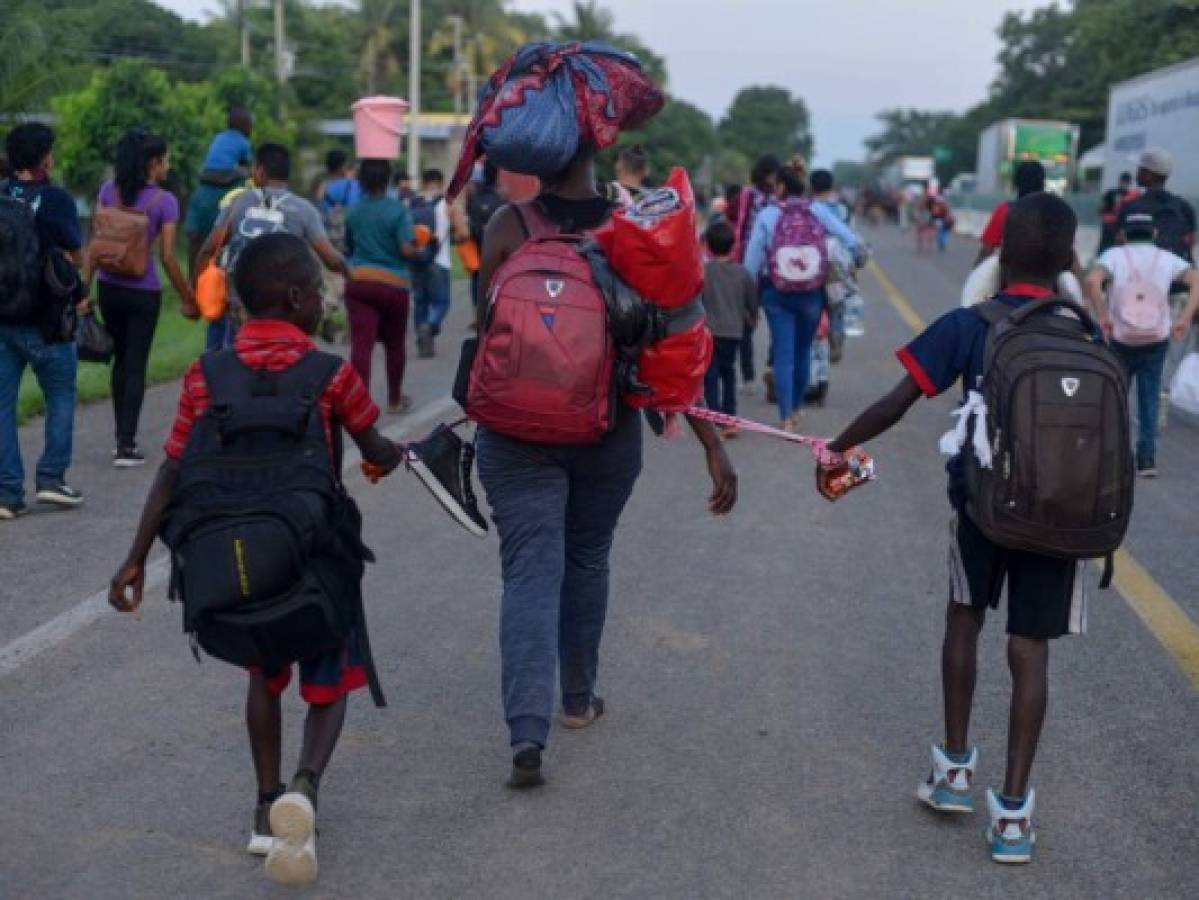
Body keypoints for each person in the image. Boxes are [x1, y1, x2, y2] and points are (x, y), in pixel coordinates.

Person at [108, 232, 404, 886]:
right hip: (314, 561)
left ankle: (266, 802)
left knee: (261, 677)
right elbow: (371, 441)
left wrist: (134, 559)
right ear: (297, 297)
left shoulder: (204, 376)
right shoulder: (330, 374)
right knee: (329, 681)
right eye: (317, 291)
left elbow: (173, 469)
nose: (323, 299)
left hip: (237, 564)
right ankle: (306, 786)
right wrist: (390, 457)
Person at [819, 193, 1091, 865]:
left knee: (963, 619)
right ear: (1064, 260)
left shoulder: (970, 324)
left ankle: (952, 776)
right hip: (1059, 517)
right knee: (1029, 651)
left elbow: (897, 399)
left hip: (983, 511)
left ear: (1000, 255)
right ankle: (1013, 819)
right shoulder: (1084, 334)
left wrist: (834, 447)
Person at [459, 140, 737, 788]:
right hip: (603, 430)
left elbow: (486, 327)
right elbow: (668, 349)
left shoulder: (507, 223)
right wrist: (711, 445)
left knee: (529, 570)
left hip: (512, 433)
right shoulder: (632, 229)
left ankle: (526, 731)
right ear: (595, 155)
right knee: (585, 558)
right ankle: (578, 699)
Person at [84, 130, 192, 467]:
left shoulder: (106, 191)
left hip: (109, 287)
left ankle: (121, 439)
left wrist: (84, 289)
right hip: (143, 293)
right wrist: (188, 296)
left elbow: (95, 246)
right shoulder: (165, 202)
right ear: (153, 163)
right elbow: (169, 258)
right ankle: (126, 445)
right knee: (136, 365)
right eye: (166, 159)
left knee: (119, 362)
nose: (168, 165)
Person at [0, 123, 85, 518]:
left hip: (3, 320)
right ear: (41, 160)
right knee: (60, 394)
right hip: (48, 320)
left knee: (2, 405)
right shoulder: (55, 200)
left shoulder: (0, 195)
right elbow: (73, 250)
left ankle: (7, 493)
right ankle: (51, 479)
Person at [194, 143, 348, 347]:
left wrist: (193, 294)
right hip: (284, 306)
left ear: (259, 171)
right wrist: (354, 273)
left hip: (242, 304)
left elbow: (208, 250)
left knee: (237, 359)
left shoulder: (238, 203)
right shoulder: (304, 210)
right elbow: (332, 260)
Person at [1084, 211, 1199, 476]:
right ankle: (1147, 459)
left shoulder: (1113, 255)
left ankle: (1110, 457)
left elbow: (1092, 281)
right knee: (1149, 399)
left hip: (1120, 339)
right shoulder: (1167, 258)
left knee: (1114, 397)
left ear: (1123, 234)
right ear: (1154, 234)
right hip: (1155, 339)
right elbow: (1196, 280)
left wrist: (1102, 316)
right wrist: (1184, 317)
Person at [743, 166, 826, 430]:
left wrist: (747, 293)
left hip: (776, 291)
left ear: (779, 187)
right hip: (812, 291)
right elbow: (847, 239)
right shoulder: (817, 211)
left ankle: (785, 416)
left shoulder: (768, 214)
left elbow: (751, 262)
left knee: (783, 353)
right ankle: (798, 407)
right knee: (804, 350)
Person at [344, 159, 421, 413]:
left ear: (361, 181)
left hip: (360, 281)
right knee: (395, 344)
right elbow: (406, 248)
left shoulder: (353, 210)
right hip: (393, 285)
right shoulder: (398, 210)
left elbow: (349, 248)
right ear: (388, 179)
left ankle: (359, 405)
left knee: (361, 345)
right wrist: (420, 245)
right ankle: (395, 400)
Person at [700, 220, 758, 433]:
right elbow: (752, 301)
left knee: (710, 375)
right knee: (729, 372)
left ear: (707, 246)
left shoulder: (702, 271)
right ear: (734, 246)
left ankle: (713, 416)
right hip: (733, 331)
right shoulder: (742, 273)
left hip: (708, 332)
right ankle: (730, 416)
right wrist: (752, 317)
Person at [184, 109, 253, 279]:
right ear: (244, 126)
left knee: (195, 238)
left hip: (207, 176)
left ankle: (192, 278)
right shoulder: (243, 142)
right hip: (226, 177)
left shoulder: (219, 137)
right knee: (248, 172)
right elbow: (247, 163)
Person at [732, 155, 780, 395]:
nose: (774, 178)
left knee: (776, 323)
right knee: (746, 322)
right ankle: (748, 372)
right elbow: (740, 226)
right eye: (772, 173)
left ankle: (771, 367)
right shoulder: (748, 194)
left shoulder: (781, 196)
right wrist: (736, 260)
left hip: (772, 269)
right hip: (749, 266)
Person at [409, 169, 452, 358]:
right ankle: (430, 326)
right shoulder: (445, 204)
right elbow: (462, 232)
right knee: (441, 301)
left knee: (420, 302)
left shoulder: (411, 203)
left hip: (416, 260)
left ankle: (422, 334)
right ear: (441, 182)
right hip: (439, 261)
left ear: (424, 182)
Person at [975, 161, 1044, 265]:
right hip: (1046, 275)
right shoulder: (1055, 212)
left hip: (1011, 274)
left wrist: (975, 272)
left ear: (1016, 182)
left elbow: (987, 249)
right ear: (1042, 183)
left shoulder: (1004, 210)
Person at [465, 159, 504, 310]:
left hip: (477, 245)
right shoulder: (501, 199)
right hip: (495, 250)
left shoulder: (475, 197)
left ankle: (477, 309)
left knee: (476, 277)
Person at [315, 148, 361, 251]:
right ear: (343, 166)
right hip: (350, 241)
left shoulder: (322, 187)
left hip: (329, 241)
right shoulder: (353, 185)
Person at [1098, 171, 1134, 255]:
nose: (1124, 184)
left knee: (1117, 246)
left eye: (1126, 182)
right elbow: (1102, 208)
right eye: (1123, 181)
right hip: (1110, 224)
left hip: (1120, 225)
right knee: (1106, 244)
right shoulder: (1111, 193)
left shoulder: (1130, 195)